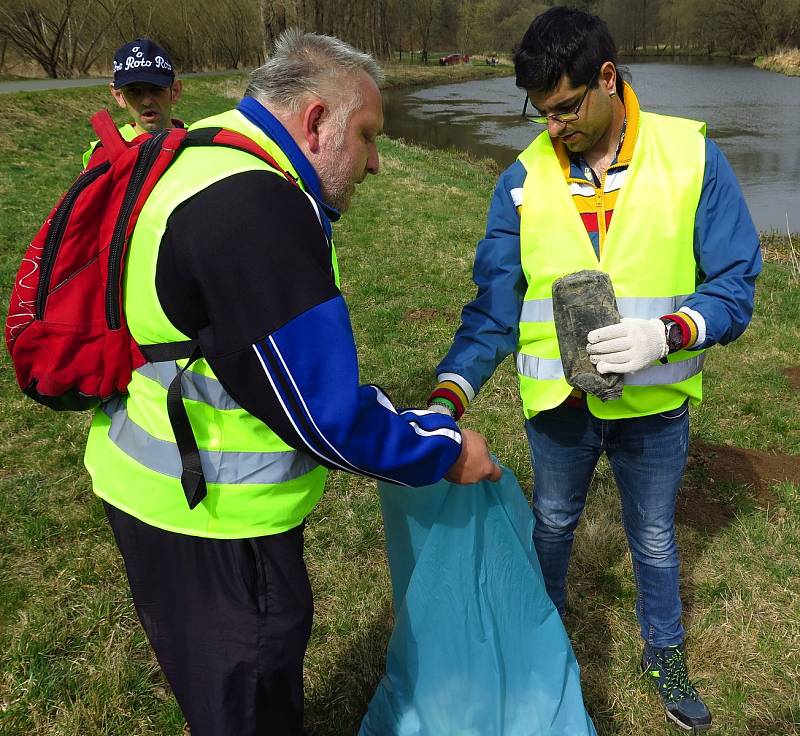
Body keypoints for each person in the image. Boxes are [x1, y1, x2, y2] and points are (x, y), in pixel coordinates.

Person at [83, 29, 500, 736]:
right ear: (314, 121)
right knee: (252, 703)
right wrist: (444, 447)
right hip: (216, 518)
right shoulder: (254, 207)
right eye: (366, 136)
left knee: (219, 694)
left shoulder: (202, 148)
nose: (374, 165)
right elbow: (324, 413)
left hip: (147, 482)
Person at [427, 7, 761, 733]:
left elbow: (736, 284)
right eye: (541, 114)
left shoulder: (692, 156)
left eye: (567, 109)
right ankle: (542, 648)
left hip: (654, 406)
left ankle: (665, 657)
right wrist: (448, 395)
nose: (554, 129)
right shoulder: (520, 180)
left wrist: (667, 333)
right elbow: (492, 308)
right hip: (558, 408)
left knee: (655, 539)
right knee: (552, 524)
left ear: (607, 77)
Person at [82, 38, 183, 167]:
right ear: (119, 95)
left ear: (174, 91)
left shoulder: (197, 139)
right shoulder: (103, 154)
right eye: (134, 91)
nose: (146, 102)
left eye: (156, 89)